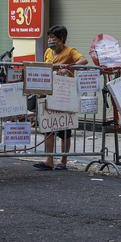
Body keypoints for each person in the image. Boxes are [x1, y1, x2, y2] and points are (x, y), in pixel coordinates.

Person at [33, 25, 88, 170]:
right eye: (49, 37)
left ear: (61, 40)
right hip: (48, 92)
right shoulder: (48, 52)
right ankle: (48, 159)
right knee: (48, 127)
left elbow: (83, 60)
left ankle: (63, 161)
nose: (50, 40)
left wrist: (68, 66)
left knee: (64, 130)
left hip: (65, 93)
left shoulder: (70, 51)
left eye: (53, 38)